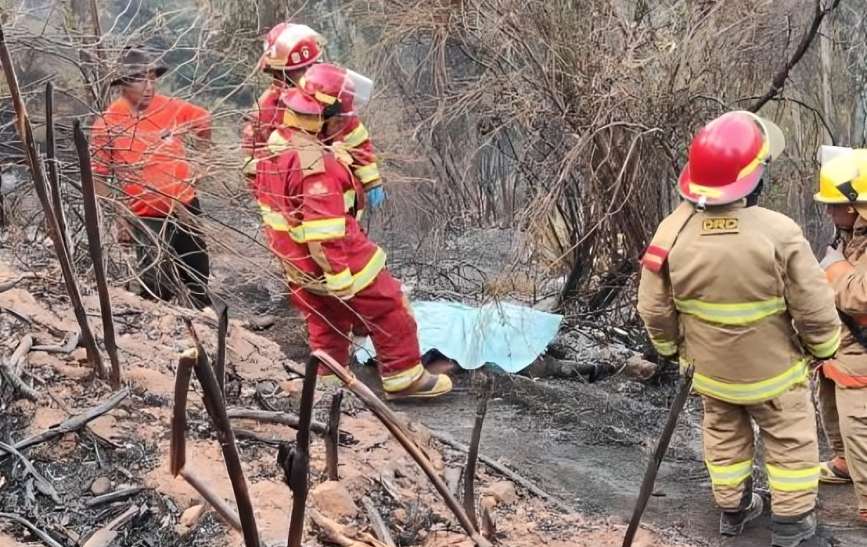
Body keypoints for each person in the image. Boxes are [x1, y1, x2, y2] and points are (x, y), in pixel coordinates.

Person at [636, 111, 842, 547]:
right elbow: (814, 304)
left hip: (712, 375)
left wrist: (674, 350)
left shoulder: (671, 232)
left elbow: (653, 309)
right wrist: (823, 348)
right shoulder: (779, 232)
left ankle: (734, 513)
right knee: (790, 442)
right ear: (754, 179)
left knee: (724, 439)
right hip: (777, 375)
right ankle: (791, 527)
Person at [251, 86, 451, 399]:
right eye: (341, 120)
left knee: (327, 320)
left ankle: (328, 383)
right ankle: (404, 379)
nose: (346, 126)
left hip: (297, 263)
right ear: (322, 120)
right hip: (336, 258)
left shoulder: (272, 151)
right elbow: (323, 231)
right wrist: (339, 277)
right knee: (389, 306)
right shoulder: (316, 164)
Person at [90, 47, 213, 310]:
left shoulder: (171, 107)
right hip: (145, 218)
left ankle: (204, 327)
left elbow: (205, 122)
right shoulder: (107, 123)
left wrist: (202, 162)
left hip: (184, 208)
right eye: (140, 79)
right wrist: (120, 215)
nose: (149, 87)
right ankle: (163, 334)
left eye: (153, 78)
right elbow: (98, 176)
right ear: (123, 84)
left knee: (197, 274)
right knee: (156, 285)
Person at [241, 23, 385, 209]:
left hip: (339, 197)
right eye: (301, 69)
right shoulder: (267, 110)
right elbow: (255, 167)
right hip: (295, 205)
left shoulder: (327, 93)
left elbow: (355, 136)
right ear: (279, 72)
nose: (309, 73)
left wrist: (371, 179)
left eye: (312, 65)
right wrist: (281, 204)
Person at [812, 146, 867, 523]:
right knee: (829, 397)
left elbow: (860, 296)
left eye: (835, 204)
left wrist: (832, 270)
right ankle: (844, 462)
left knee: (858, 422)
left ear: (857, 204)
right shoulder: (853, 234)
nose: (829, 211)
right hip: (841, 342)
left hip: (861, 348)